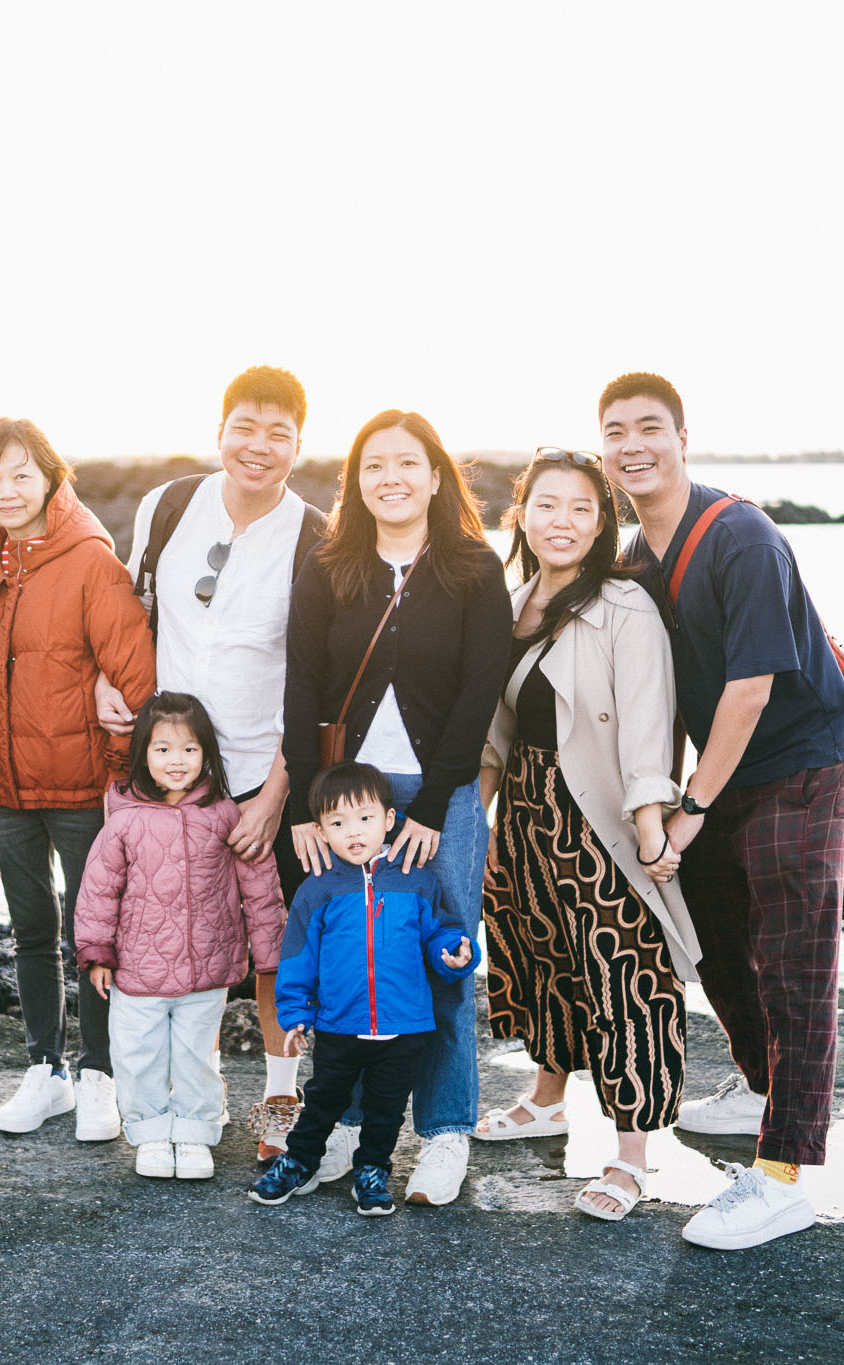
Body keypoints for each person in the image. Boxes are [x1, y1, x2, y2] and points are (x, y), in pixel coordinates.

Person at [600, 372, 844, 1251]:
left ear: (683, 438)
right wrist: (663, 806)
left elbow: (749, 691)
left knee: (794, 959)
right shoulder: (636, 556)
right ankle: (757, 1084)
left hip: (799, 763)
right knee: (706, 930)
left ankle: (783, 1175)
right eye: (615, 431)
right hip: (719, 774)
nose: (633, 445)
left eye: (650, 427)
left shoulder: (741, 537)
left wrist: (690, 807)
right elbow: (655, 694)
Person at [281, 409, 512, 1205]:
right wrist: (304, 808)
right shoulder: (329, 566)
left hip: (439, 800)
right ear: (356, 481)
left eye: (408, 462)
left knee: (444, 963)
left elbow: (480, 694)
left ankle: (445, 1132)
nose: (392, 477)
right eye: (374, 464)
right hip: (345, 805)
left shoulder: (475, 569)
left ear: (436, 476)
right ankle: (346, 1126)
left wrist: (434, 806)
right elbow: (301, 687)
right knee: (345, 962)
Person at [99, 364, 325, 1160]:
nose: (258, 446)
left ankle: (280, 1100)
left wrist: (275, 799)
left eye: (279, 433)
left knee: (275, 953)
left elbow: (317, 681)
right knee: (166, 942)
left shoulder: (315, 537)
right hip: (167, 777)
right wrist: (105, 680)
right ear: (220, 429)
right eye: (245, 427)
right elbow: (133, 611)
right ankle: (181, 1102)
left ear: (299, 444)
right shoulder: (168, 505)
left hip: (261, 775)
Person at [474, 448, 700, 1222]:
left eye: (580, 508)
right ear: (522, 513)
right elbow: (495, 733)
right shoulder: (513, 603)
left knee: (623, 971)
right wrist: (479, 823)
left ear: (603, 522)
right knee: (539, 957)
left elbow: (648, 724)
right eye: (547, 505)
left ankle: (632, 1155)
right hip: (526, 810)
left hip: (596, 810)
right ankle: (547, 1099)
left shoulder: (624, 605)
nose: (561, 521)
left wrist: (652, 830)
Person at [0, 417, 156, 1142]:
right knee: (32, 932)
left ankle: (100, 1074)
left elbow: (136, 678)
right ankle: (46, 1070)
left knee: (95, 935)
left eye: (21, 475)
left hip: (82, 789)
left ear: (50, 478)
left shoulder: (91, 562)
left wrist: (116, 775)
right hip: (9, 788)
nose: (6, 491)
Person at [249, 763, 480, 1216]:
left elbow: (439, 933)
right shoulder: (318, 890)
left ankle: (372, 1171)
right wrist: (296, 1014)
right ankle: (297, 1163)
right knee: (322, 1102)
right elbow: (297, 958)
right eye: (337, 823)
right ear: (320, 831)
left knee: (386, 1111)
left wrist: (453, 953)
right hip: (339, 1024)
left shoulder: (417, 880)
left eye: (365, 818)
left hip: (404, 1026)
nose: (353, 832)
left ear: (389, 819)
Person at [72, 693, 285, 1180]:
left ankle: (193, 1132)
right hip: (137, 970)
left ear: (206, 752)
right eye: (163, 749)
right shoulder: (124, 818)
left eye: (189, 749)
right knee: (138, 1055)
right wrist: (97, 953)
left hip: (207, 967)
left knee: (196, 1057)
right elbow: (99, 890)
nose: (176, 760)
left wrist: (269, 952)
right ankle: (149, 1133)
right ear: (143, 753)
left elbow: (260, 888)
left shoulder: (225, 814)